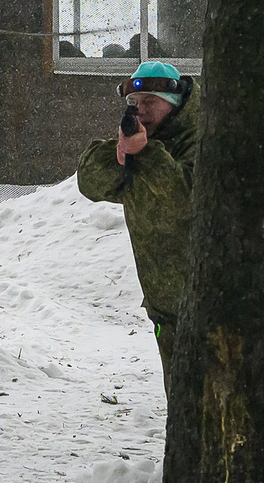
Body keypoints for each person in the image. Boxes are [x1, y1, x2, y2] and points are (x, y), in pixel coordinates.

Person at [76, 59, 199, 378]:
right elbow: (90, 182)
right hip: (166, 305)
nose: (139, 110)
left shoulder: (202, 138)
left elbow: (185, 198)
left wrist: (144, 154)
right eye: (134, 102)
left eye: (150, 102)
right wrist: (122, 154)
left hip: (212, 304)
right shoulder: (143, 139)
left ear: (173, 104)